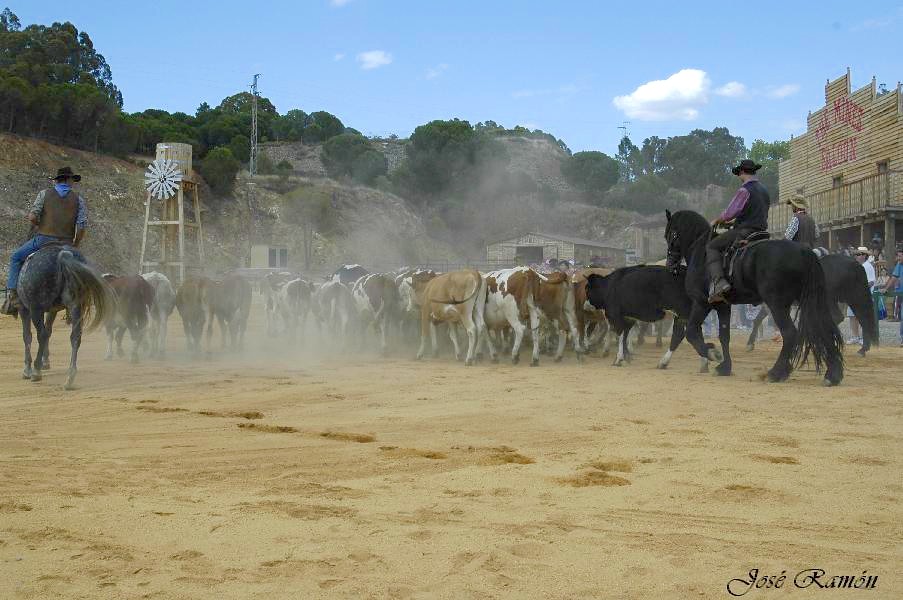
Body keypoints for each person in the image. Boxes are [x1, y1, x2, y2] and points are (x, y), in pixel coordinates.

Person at [2, 167, 88, 315]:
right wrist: (75, 244)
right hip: (66, 243)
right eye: (72, 180)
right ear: (67, 180)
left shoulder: (44, 194)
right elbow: (81, 226)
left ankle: (13, 296)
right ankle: (82, 298)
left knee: (15, 257)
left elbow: (32, 217)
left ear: (57, 180)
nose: (73, 183)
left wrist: (42, 225)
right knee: (85, 268)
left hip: (43, 240)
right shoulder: (79, 200)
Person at [706, 159, 770, 303]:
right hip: (761, 232)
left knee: (712, 246)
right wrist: (733, 222)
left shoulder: (744, 190)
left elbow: (729, 212)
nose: (739, 177)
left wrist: (717, 220)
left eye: (739, 174)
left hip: (744, 231)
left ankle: (719, 282)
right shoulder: (764, 190)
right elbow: (754, 213)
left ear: (741, 172)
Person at [847, 246, 876, 345]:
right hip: (855, 295)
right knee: (852, 316)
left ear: (865, 256)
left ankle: (865, 337)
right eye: (857, 254)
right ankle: (855, 337)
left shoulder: (867, 266)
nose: (858, 256)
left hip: (863, 296)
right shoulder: (857, 266)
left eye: (860, 254)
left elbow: (871, 282)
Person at [880, 248, 903, 343]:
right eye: (898, 256)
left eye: (900, 256)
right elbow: (893, 278)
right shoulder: (899, 265)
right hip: (900, 293)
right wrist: (886, 288)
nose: (898, 258)